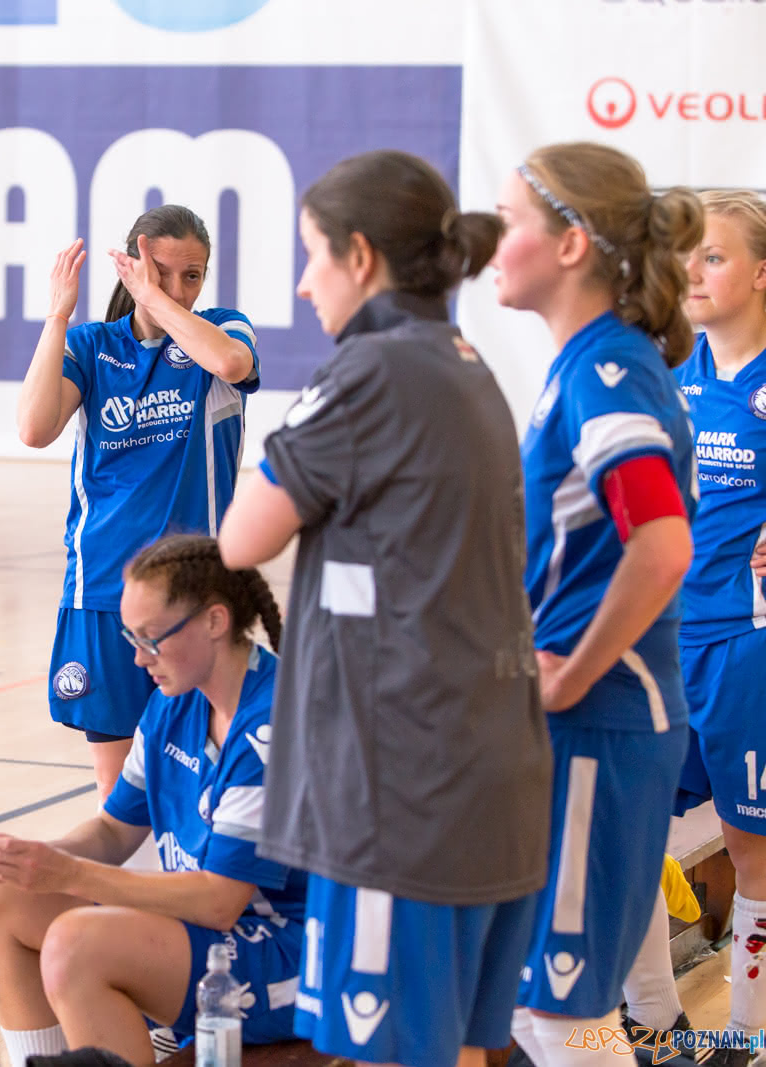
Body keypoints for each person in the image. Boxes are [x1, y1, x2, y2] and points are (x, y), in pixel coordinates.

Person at [219, 149, 551, 1067]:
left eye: (312, 254)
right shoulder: (465, 362)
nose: (302, 281)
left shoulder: (367, 372)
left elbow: (243, 539)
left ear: (359, 257)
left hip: (398, 793)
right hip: (486, 780)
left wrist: (289, 419)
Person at [489, 142, 700, 1067]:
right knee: (542, 1008)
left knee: (566, 1012)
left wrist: (572, 672)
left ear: (571, 243)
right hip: (582, 730)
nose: (489, 242)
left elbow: (662, 542)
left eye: (507, 223)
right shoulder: (585, 364)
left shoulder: (605, 371)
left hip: (599, 725)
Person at [0, 535, 303, 1067]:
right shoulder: (173, 704)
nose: (138, 657)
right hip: (211, 930)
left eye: (151, 638)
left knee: (76, 945)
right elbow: (112, 833)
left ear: (214, 622)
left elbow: (219, 900)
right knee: (13, 896)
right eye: (130, 636)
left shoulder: (272, 725)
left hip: (290, 956)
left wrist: (67, 874)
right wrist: (30, 858)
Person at [16, 205, 259, 799]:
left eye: (192, 275)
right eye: (163, 272)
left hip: (198, 591)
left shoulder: (223, 332)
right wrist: (56, 317)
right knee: (118, 793)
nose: (178, 287)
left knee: (203, 774)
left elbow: (230, 363)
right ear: (131, 267)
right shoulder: (92, 347)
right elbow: (33, 428)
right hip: (103, 590)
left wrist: (159, 300)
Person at [619, 189, 766, 1063]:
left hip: (745, 651)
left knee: (751, 852)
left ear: (759, 272)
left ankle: (745, 1034)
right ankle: (655, 1019)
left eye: (713, 256)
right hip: (658, 647)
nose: (693, 274)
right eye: (686, 258)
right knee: (627, 835)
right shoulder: (672, 377)